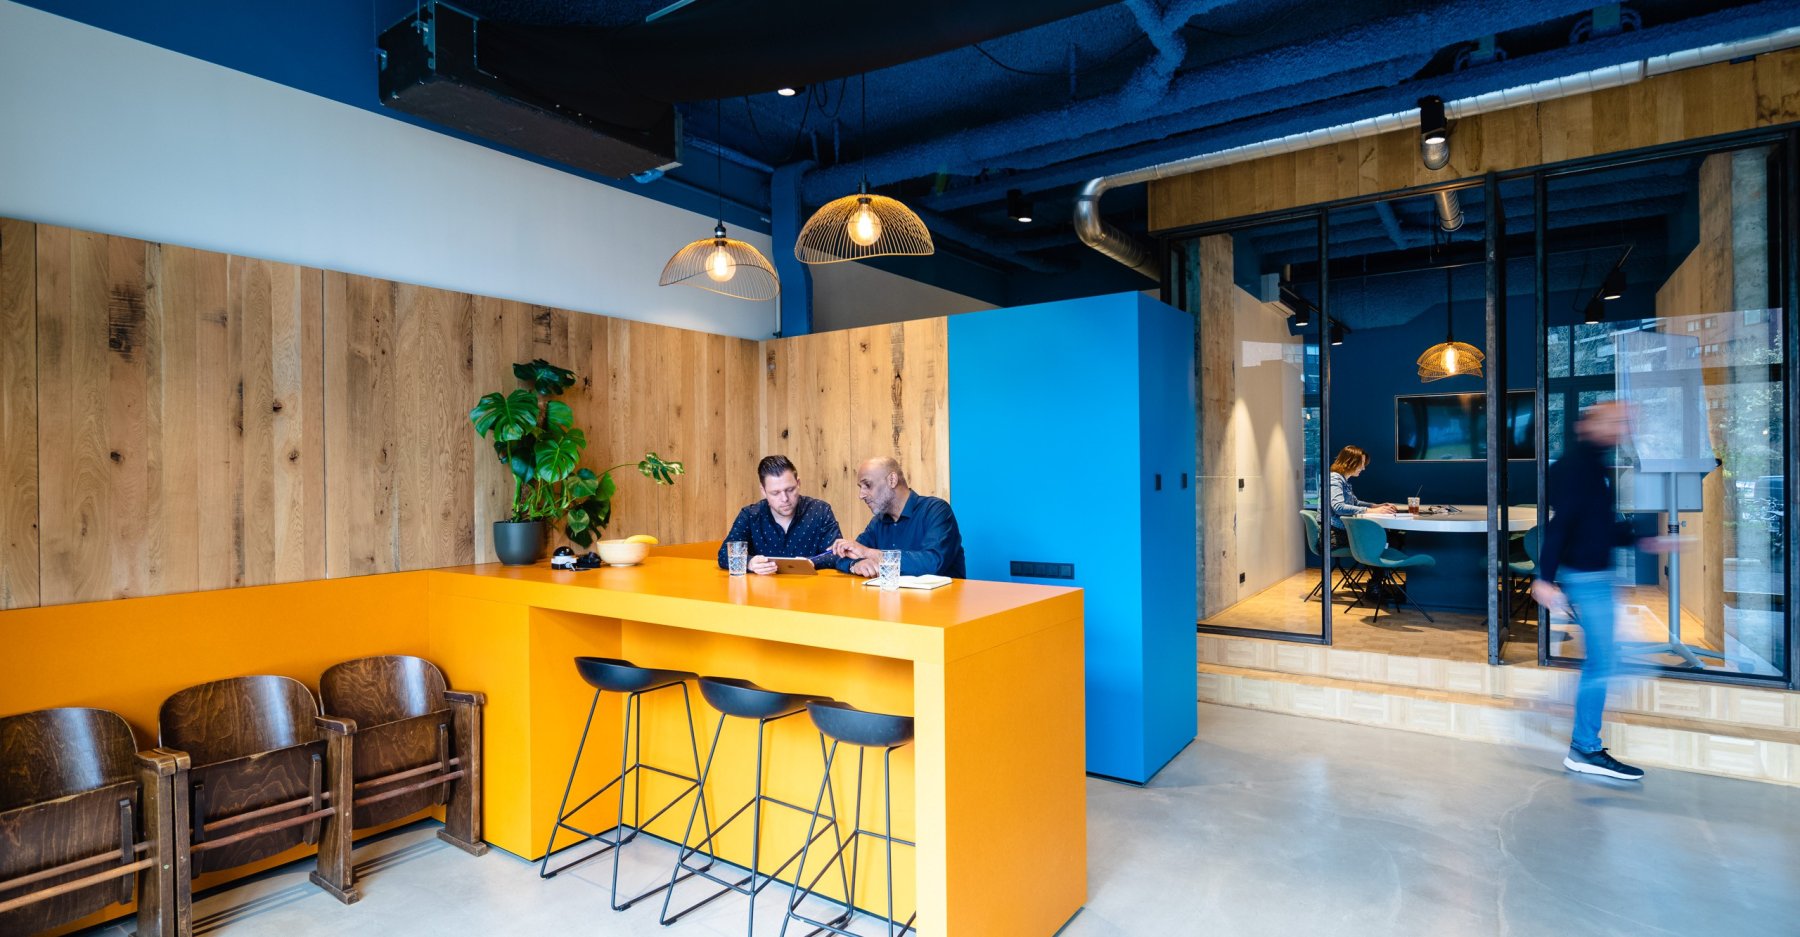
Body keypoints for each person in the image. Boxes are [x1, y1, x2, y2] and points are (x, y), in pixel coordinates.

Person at [1530, 401, 1669, 781]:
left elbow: (1595, 526)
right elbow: (1561, 525)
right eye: (1617, 420)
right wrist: (1544, 576)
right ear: (1590, 424)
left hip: (1597, 575)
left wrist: (1640, 539)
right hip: (1586, 578)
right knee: (1605, 662)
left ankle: (1571, 729)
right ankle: (1583, 746)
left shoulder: (1594, 465)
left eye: (1627, 421)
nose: (1624, 427)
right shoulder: (1576, 467)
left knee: (1606, 661)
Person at [830, 457, 965, 579]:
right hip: (894, 598)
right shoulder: (878, 522)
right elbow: (845, 556)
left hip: (942, 598)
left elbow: (932, 563)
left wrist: (868, 553)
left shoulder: (936, 510)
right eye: (861, 487)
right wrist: (855, 564)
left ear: (892, 480)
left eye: (868, 485)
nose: (861, 495)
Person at [717, 455, 842, 574]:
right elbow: (724, 555)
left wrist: (811, 562)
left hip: (810, 587)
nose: (785, 499)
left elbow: (836, 554)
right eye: (775, 493)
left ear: (798, 483)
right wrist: (749, 563)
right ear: (763, 491)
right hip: (762, 588)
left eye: (790, 490)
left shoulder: (820, 511)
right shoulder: (750, 515)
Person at [1328, 445, 1397, 538]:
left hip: (1342, 530)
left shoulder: (1343, 480)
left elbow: (1355, 502)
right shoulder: (1334, 478)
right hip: (1334, 533)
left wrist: (1376, 506)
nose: (1363, 468)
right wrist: (1373, 510)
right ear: (1349, 462)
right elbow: (1339, 507)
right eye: (1361, 463)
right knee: (1387, 537)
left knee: (1389, 536)